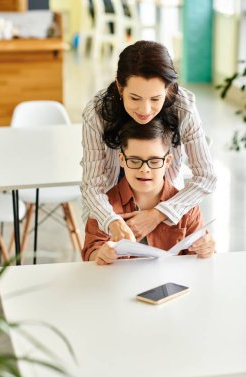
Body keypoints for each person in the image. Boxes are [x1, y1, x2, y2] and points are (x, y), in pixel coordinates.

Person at [81, 40, 217, 243]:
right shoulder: (97, 113)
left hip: (165, 204)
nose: (145, 110)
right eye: (135, 98)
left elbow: (207, 177)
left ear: (168, 89)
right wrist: (111, 221)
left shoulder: (184, 108)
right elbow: (92, 186)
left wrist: (158, 213)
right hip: (110, 209)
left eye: (155, 99)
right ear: (119, 87)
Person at [82, 119, 215, 264]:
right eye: (134, 160)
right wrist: (101, 255)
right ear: (121, 159)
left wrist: (206, 248)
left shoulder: (187, 208)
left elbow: (198, 258)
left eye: (154, 161)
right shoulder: (103, 207)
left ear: (168, 161)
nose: (144, 169)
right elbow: (91, 253)